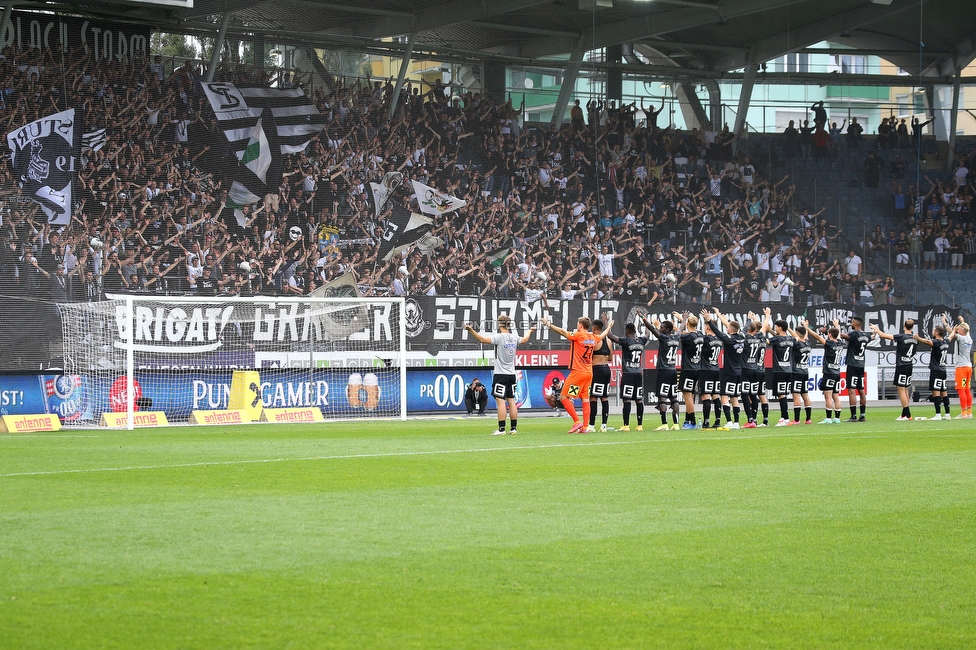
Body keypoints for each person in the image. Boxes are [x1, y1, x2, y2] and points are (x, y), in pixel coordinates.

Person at [464, 314, 537, 435]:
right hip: (511, 374)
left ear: (499, 324)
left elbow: (482, 340)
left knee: (500, 401)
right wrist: (530, 330)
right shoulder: (514, 337)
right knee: (511, 400)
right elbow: (524, 340)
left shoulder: (499, 337)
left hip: (500, 374)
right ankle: (513, 429)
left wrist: (471, 330)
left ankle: (501, 429)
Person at [543, 315, 614, 433]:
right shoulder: (593, 337)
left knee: (564, 397)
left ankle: (577, 421)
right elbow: (602, 335)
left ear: (581, 325)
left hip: (578, 372)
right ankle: (586, 427)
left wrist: (548, 324)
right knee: (585, 399)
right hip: (589, 372)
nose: (576, 326)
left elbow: (562, 331)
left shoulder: (578, 336)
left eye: (577, 324)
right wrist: (609, 326)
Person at [703, 308, 745, 429]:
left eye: (728, 327)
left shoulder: (729, 340)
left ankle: (729, 421)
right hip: (739, 371)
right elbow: (731, 327)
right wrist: (720, 316)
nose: (726, 328)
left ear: (731, 329)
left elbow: (717, 332)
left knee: (725, 396)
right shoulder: (741, 337)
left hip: (728, 372)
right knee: (735, 397)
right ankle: (737, 422)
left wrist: (709, 320)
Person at [607, 319, 651, 432]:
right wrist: (645, 320)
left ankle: (626, 425)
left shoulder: (626, 341)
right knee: (639, 400)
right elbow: (647, 333)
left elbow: (610, 336)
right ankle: (639, 425)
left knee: (627, 400)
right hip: (638, 374)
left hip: (628, 374)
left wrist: (607, 323)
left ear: (627, 332)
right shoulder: (641, 341)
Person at [641, 316, 682, 431]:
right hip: (673, 371)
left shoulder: (664, 338)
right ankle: (676, 424)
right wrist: (683, 320)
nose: (660, 329)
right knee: (674, 398)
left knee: (662, 397)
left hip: (664, 371)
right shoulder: (676, 338)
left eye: (662, 328)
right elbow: (680, 329)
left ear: (667, 330)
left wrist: (644, 320)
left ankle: (664, 424)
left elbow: (653, 330)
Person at [872, 319, 917, 420]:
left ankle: (908, 414)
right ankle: (904, 414)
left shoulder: (901, 336)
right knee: (906, 389)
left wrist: (876, 329)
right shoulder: (915, 338)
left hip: (901, 365)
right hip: (909, 365)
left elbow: (884, 336)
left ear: (904, 326)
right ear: (913, 327)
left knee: (901, 390)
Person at [807, 320, 846, 424]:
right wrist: (836, 324)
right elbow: (837, 334)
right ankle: (837, 418)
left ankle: (828, 418)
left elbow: (817, 337)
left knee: (828, 396)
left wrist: (807, 328)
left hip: (829, 372)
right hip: (837, 373)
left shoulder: (829, 343)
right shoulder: (840, 343)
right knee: (836, 396)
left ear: (829, 335)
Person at [914, 317, 951, 420]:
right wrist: (946, 323)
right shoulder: (946, 342)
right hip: (943, 370)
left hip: (936, 370)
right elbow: (951, 335)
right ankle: (947, 414)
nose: (932, 332)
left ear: (937, 332)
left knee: (936, 392)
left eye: (934, 331)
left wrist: (918, 338)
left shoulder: (937, 342)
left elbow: (927, 342)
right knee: (944, 392)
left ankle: (938, 414)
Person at [741, 308, 772, 428]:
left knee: (749, 395)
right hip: (761, 369)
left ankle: (751, 419)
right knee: (759, 395)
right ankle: (764, 420)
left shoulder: (751, 337)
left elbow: (759, 327)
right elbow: (764, 327)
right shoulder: (762, 337)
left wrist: (751, 319)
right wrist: (767, 315)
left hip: (752, 368)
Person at [841, 316, 874, 422]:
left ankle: (854, 415)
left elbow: (844, 336)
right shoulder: (866, 335)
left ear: (855, 324)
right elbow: (872, 337)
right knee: (861, 390)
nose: (851, 323)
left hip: (852, 364)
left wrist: (834, 330)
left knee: (851, 390)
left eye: (852, 322)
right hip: (861, 365)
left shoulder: (854, 333)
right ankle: (863, 415)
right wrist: (876, 331)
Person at [677, 313, 705, 429]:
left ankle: (692, 421)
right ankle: (687, 419)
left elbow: (679, 334)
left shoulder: (687, 337)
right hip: (697, 368)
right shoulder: (700, 334)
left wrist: (681, 321)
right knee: (691, 395)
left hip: (688, 369)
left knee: (687, 396)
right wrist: (683, 319)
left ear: (687, 324)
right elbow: (685, 332)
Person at [587, 317, 613, 432]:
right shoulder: (608, 341)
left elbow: (588, 356)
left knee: (593, 397)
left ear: (594, 328)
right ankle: (604, 425)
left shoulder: (594, 340)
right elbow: (611, 358)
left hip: (596, 369)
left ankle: (592, 425)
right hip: (607, 369)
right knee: (604, 398)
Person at [769, 319, 796, 427]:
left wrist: (766, 329)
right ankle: (783, 416)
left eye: (776, 327)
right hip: (788, 370)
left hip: (779, 370)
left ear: (780, 328)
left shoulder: (776, 339)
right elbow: (797, 338)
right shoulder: (791, 339)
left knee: (781, 395)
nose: (775, 329)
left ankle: (786, 417)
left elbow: (768, 341)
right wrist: (788, 328)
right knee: (783, 394)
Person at [699, 316, 724, 429]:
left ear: (708, 327)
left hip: (706, 369)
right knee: (715, 395)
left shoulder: (706, 339)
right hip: (716, 369)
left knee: (706, 396)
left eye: (705, 326)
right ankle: (718, 420)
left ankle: (706, 421)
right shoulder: (719, 340)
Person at [788, 322, 814, 425]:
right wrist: (806, 327)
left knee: (796, 395)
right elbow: (805, 336)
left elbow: (797, 337)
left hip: (796, 371)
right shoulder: (808, 343)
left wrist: (788, 329)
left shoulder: (797, 344)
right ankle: (808, 419)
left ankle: (797, 420)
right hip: (805, 371)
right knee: (805, 395)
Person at [948, 317, 973, 419]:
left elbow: (951, 333)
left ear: (962, 331)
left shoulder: (961, 338)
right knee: (967, 389)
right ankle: (969, 412)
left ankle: (963, 413)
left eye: (959, 328)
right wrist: (962, 322)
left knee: (961, 390)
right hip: (969, 367)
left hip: (961, 368)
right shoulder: (969, 338)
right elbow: (967, 330)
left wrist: (945, 323)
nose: (957, 329)